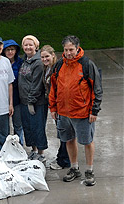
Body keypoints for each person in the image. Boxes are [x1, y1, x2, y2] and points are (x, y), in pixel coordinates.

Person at [48, 35, 102, 186]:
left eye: (71, 49)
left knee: (87, 141)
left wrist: (94, 110)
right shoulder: (59, 65)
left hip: (83, 113)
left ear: (77, 48)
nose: (68, 53)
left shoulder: (86, 65)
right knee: (68, 140)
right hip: (63, 113)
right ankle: (74, 168)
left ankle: (89, 171)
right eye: (66, 50)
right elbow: (54, 88)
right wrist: (53, 108)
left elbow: (97, 89)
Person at [18, 35, 48, 163]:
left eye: (31, 44)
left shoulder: (38, 62)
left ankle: (41, 153)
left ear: (36, 46)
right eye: (25, 45)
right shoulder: (25, 61)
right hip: (24, 101)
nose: (28, 47)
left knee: (38, 127)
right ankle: (34, 150)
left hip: (37, 103)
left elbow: (36, 85)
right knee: (28, 128)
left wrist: (31, 101)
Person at [40, 44, 70, 169]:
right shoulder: (46, 68)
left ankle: (64, 160)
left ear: (53, 55)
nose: (45, 59)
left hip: (60, 105)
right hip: (53, 104)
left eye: (47, 56)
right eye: (42, 57)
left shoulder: (58, 68)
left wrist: (56, 106)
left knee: (64, 133)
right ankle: (63, 156)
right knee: (61, 131)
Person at [2, 39, 24, 145]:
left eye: (12, 49)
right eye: (8, 50)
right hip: (3, 97)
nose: (10, 52)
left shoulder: (20, 63)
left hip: (18, 98)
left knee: (18, 125)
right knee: (4, 126)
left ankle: (18, 145)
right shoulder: (1, 62)